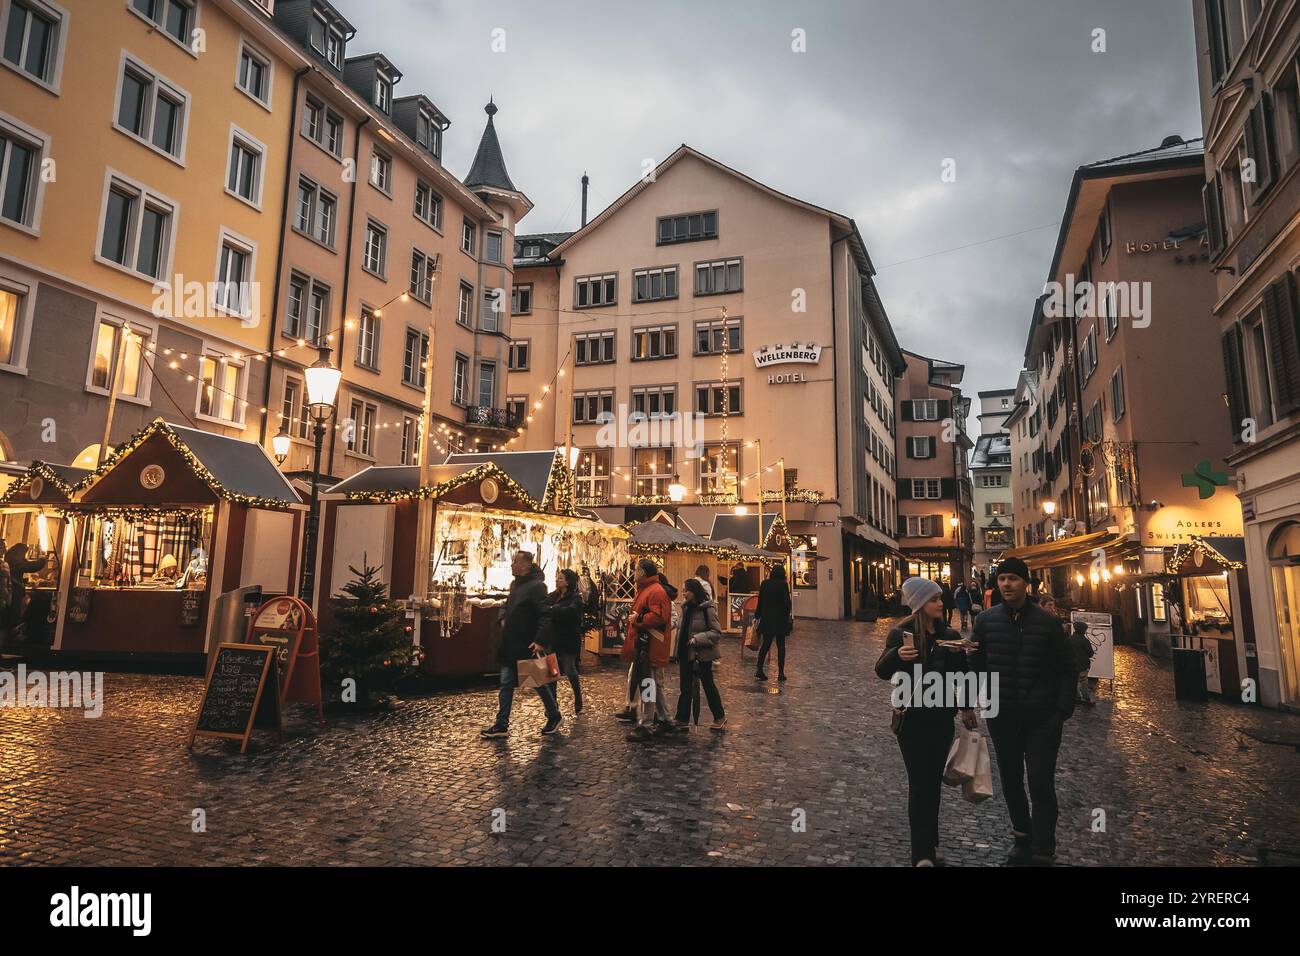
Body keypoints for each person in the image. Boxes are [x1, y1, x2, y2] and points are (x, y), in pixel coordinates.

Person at [969, 557, 1078, 865]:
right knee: (1012, 781)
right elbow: (975, 665)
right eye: (1002, 579)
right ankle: (1022, 838)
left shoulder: (1047, 623)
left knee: (1040, 781)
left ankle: (1043, 847)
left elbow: (1068, 668)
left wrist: (1061, 710)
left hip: (1042, 717)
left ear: (1025, 584)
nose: (1006, 584)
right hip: (1002, 716)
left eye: (1013, 579)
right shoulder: (986, 621)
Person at [876, 576, 978, 866]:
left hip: (941, 720)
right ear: (920, 603)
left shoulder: (950, 635)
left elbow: (963, 676)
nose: (940, 603)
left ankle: (930, 845)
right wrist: (897, 656)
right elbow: (881, 671)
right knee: (920, 784)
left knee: (932, 784)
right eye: (934, 599)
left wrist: (966, 708)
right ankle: (921, 854)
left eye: (939, 598)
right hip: (912, 722)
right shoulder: (900, 635)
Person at [481, 551, 563, 739]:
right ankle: (501, 724)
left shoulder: (537, 587)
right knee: (506, 684)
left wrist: (540, 640)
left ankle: (555, 715)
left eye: (515, 562)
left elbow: (545, 614)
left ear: (526, 565)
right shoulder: (515, 585)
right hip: (511, 642)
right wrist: (502, 616)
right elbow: (507, 604)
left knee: (539, 682)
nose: (512, 565)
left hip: (527, 644)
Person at [621, 559, 673, 742]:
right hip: (649, 645)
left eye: (636, 569)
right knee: (655, 684)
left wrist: (638, 618)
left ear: (642, 572)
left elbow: (658, 616)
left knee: (648, 684)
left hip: (650, 646)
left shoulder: (654, 591)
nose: (633, 572)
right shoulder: (649, 589)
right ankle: (666, 719)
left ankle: (646, 723)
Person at [673, 577, 726, 731]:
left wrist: (697, 639)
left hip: (701, 655)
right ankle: (682, 718)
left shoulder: (707, 609)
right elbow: (682, 631)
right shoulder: (686, 608)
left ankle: (720, 716)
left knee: (708, 686)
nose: (683, 593)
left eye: (686, 590)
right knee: (685, 687)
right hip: (686, 653)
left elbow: (716, 632)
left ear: (694, 592)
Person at [541, 568, 585, 715]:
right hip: (553, 640)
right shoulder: (553, 596)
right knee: (552, 673)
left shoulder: (576, 597)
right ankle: (553, 705)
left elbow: (570, 613)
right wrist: (556, 609)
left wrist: (554, 609)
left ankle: (578, 697)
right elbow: (544, 607)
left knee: (570, 670)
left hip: (568, 640)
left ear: (567, 582)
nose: (557, 580)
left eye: (560, 578)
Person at [754, 564, 792, 682]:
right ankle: (781, 672)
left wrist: (757, 616)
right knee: (781, 646)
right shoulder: (783, 585)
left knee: (766, 644)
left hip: (767, 619)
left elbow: (760, 601)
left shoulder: (765, 584)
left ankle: (759, 669)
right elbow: (787, 604)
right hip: (780, 620)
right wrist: (786, 616)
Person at [1069, 620, 1097, 706]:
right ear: (1083, 630)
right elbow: (1090, 653)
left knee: (1074, 681)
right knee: (1083, 681)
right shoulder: (1084, 640)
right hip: (1083, 665)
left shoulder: (1070, 639)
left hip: (1072, 664)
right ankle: (1086, 698)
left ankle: (1077, 697)